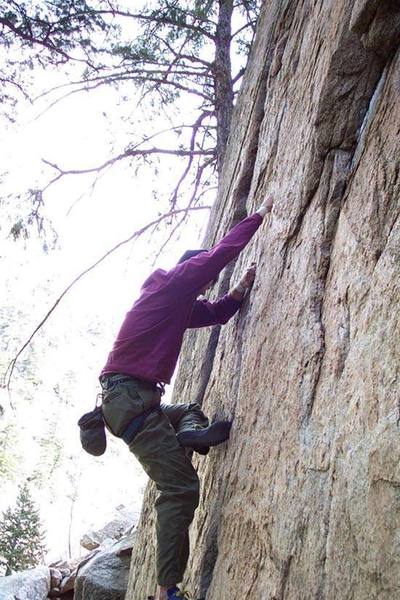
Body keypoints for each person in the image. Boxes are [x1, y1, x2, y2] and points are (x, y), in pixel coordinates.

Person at [99, 196, 273, 600]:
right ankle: (166, 592)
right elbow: (218, 256)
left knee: (188, 411)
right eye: (201, 282)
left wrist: (240, 290)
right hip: (130, 401)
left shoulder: (170, 305)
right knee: (178, 489)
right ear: (187, 273)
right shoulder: (170, 284)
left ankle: (191, 434)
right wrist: (259, 215)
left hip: (136, 401)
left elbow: (215, 313)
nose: (203, 288)